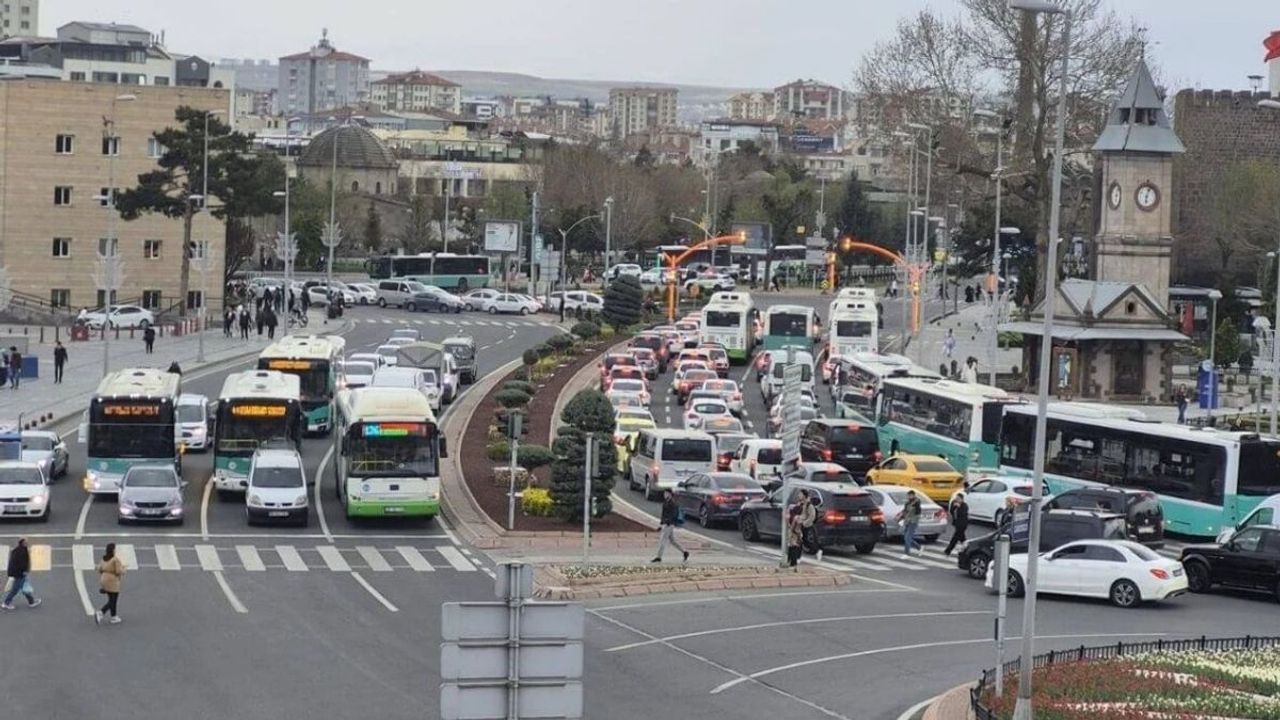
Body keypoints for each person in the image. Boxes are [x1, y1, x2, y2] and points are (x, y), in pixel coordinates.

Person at [651, 489, 689, 564]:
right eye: (664, 493)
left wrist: (667, 522)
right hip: (666, 523)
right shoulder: (665, 502)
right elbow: (663, 514)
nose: (665, 495)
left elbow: (673, 515)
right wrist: (661, 524)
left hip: (669, 524)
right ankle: (685, 552)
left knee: (663, 540)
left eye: (666, 493)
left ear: (670, 494)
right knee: (672, 541)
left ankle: (659, 557)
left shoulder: (673, 503)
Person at [2, 538, 41, 610]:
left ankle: (31, 602)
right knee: (15, 590)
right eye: (26, 542)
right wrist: (24, 571)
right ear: (22, 543)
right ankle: (6, 603)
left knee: (25, 587)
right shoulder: (21, 551)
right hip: (19, 573)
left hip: (18, 573)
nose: (27, 543)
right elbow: (21, 563)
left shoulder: (18, 549)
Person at [94, 543, 125, 625]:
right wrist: (123, 570)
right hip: (112, 581)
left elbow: (100, 569)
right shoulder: (115, 560)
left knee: (111, 598)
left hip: (104, 579)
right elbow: (118, 571)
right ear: (113, 550)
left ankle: (114, 616)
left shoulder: (103, 559)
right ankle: (101, 612)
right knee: (113, 600)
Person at [897, 490, 923, 556]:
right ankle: (919, 547)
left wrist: (915, 505)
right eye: (908, 495)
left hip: (913, 522)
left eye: (911, 495)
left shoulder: (917, 502)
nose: (909, 497)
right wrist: (900, 517)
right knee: (906, 537)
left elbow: (918, 512)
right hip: (907, 521)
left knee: (907, 537)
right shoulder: (907, 503)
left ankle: (907, 553)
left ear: (914, 495)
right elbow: (905, 511)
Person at [798, 489, 820, 561]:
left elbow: (812, 516)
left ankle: (816, 552)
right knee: (802, 539)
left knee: (809, 540)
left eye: (800, 494)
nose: (799, 495)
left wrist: (805, 523)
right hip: (802, 524)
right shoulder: (801, 504)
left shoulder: (809, 505)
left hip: (808, 525)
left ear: (804, 495)